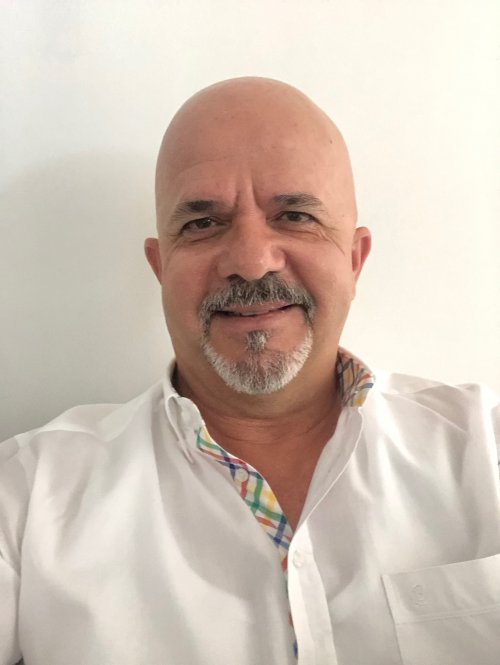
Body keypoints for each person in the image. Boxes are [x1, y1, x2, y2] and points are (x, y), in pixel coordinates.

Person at [0, 77, 499, 665]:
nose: (251, 261)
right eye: (202, 224)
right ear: (161, 268)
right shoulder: (27, 495)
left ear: (354, 259)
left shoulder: (485, 449)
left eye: (295, 215)